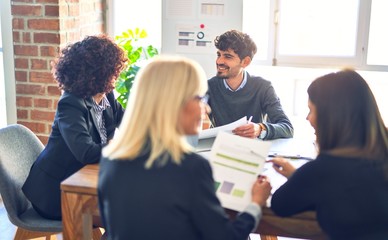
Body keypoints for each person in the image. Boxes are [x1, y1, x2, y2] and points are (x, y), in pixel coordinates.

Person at [98, 55, 272, 240]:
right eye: (199, 98)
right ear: (173, 103)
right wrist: (255, 204)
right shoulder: (190, 167)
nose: (206, 109)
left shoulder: (110, 159)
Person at [270, 69, 388, 239]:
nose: (307, 118)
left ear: (330, 116)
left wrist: (302, 178)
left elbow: (280, 205)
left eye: (311, 110)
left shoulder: (323, 169)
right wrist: (298, 176)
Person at [22, 35, 127, 220]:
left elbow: (129, 122)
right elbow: (86, 152)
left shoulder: (106, 95)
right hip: (56, 193)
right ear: (98, 73)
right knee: (124, 214)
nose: (116, 76)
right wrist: (125, 147)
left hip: (83, 180)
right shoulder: (71, 103)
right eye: (113, 72)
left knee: (129, 206)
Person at [207, 29, 293, 140]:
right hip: (218, 149)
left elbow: (287, 128)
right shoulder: (208, 87)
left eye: (228, 56)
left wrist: (260, 128)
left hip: (252, 150)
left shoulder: (263, 87)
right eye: (219, 55)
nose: (219, 61)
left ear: (245, 62)